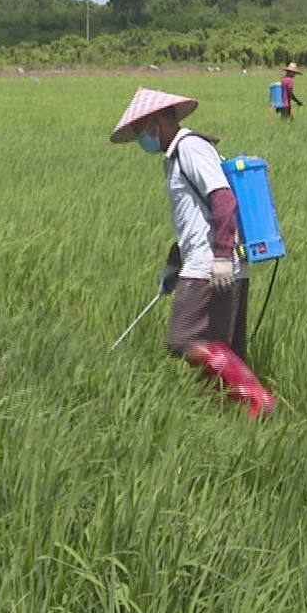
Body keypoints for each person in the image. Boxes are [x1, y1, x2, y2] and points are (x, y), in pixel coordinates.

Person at [110, 87, 276, 419]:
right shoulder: (175, 157)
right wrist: (173, 265)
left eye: (141, 129)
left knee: (185, 339)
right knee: (221, 349)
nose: (141, 137)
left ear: (157, 121)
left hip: (209, 267)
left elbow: (223, 199)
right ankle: (230, 421)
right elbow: (194, 220)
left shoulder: (190, 148)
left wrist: (221, 257)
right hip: (209, 263)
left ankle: (258, 401)